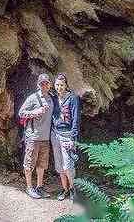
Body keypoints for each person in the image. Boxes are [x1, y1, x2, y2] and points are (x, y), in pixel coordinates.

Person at [18, 73, 54, 199]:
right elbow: (21, 112)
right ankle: (29, 187)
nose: (44, 85)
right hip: (33, 137)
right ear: (38, 85)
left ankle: (39, 187)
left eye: (46, 83)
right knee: (29, 163)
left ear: (50, 85)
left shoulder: (51, 98)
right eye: (42, 83)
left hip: (45, 138)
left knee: (42, 164)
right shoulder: (32, 98)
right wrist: (34, 112)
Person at [51, 73, 80, 202]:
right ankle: (65, 189)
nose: (59, 87)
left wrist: (73, 139)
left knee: (68, 165)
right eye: (57, 85)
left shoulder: (73, 98)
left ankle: (73, 188)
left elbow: (76, 119)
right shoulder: (54, 98)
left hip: (68, 135)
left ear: (66, 85)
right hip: (55, 134)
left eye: (61, 85)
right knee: (59, 164)